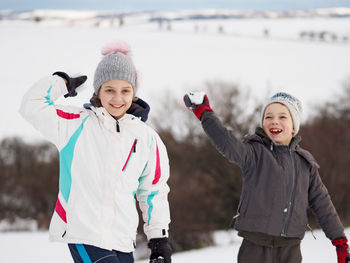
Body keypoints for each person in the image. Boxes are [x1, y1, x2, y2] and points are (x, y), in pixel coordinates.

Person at [19, 41, 171, 263]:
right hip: (83, 233)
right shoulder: (74, 124)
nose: (118, 99)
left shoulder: (147, 138)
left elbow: (153, 191)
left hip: (122, 239)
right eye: (109, 90)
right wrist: (63, 82)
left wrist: (159, 241)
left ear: (134, 93)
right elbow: (31, 105)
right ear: (98, 91)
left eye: (125, 90)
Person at [183, 91, 350, 263]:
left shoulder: (305, 163)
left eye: (283, 116)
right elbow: (227, 143)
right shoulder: (254, 153)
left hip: (290, 247)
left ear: (294, 126)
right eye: (268, 116)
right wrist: (205, 113)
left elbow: (322, 201)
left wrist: (339, 240)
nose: (274, 121)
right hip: (256, 244)